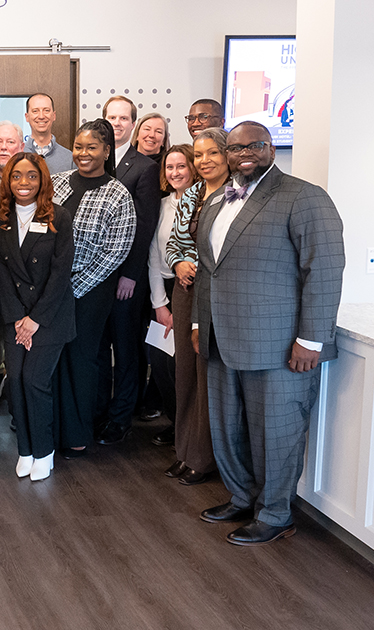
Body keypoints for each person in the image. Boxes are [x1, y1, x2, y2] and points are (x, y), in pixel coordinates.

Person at [193, 121, 344, 546]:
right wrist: (198, 324)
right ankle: (242, 497)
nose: (245, 153)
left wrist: (311, 339)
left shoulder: (304, 197)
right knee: (228, 427)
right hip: (222, 337)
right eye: (236, 147)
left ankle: (276, 513)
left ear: (271, 147)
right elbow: (210, 270)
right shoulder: (216, 201)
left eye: (255, 145)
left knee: (276, 432)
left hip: (279, 344)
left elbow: (325, 271)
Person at [51, 120, 136, 458]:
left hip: (91, 290)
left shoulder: (118, 194)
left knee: (81, 359)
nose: (83, 153)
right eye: (79, 146)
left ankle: (77, 432)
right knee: (51, 359)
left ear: (106, 151)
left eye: (92, 147)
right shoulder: (55, 185)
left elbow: (115, 251)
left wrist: (73, 287)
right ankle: (52, 428)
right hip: (50, 290)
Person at [0, 153, 75, 481]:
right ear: (7, 181)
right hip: (15, 316)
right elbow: (2, 271)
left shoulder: (60, 217)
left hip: (49, 316)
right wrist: (16, 320)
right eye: (16, 176)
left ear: (43, 180)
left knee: (34, 381)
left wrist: (34, 319)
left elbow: (60, 273)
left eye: (31, 176)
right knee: (16, 384)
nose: (23, 183)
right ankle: (25, 448)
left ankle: (44, 451)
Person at [94, 96, 161, 445]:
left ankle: (121, 417)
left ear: (132, 124)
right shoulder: (94, 160)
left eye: (124, 118)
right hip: (94, 278)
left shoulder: (145, 168)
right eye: (112, 117)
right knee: (98, 348)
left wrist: (131, 275)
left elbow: (145, 227)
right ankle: (100, 411)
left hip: (125, 279)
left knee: (126, 348)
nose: (118, 122)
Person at [164, 128, 228, 484]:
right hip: (186, 291)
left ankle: (203, 458)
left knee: (208, 377)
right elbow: (175, 241)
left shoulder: (237, 195)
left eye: (212, 154)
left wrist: (198, 264)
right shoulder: (191, 194)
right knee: (184, 374)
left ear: (226, 156)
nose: (204, 162)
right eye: (199, 156)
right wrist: (178, 263)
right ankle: (185, 451)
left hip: (216, 294)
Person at [144, 144, 196, 461]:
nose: (175, 172)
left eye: (181, 166)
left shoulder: (204, 204)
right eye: (169, 167)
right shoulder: (161, 205)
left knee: (182, 367)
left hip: (189, 289)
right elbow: (152, 256)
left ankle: (189, 431)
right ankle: (175, 424)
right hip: (162, 290)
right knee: (160, 365)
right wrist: (160, 305)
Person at [23, 93, 74, 174]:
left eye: (46, 110)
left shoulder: (69, 158)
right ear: (27, 117)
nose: (41, 116)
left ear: (54, 116)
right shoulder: (17, 155)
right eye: (35, 111)